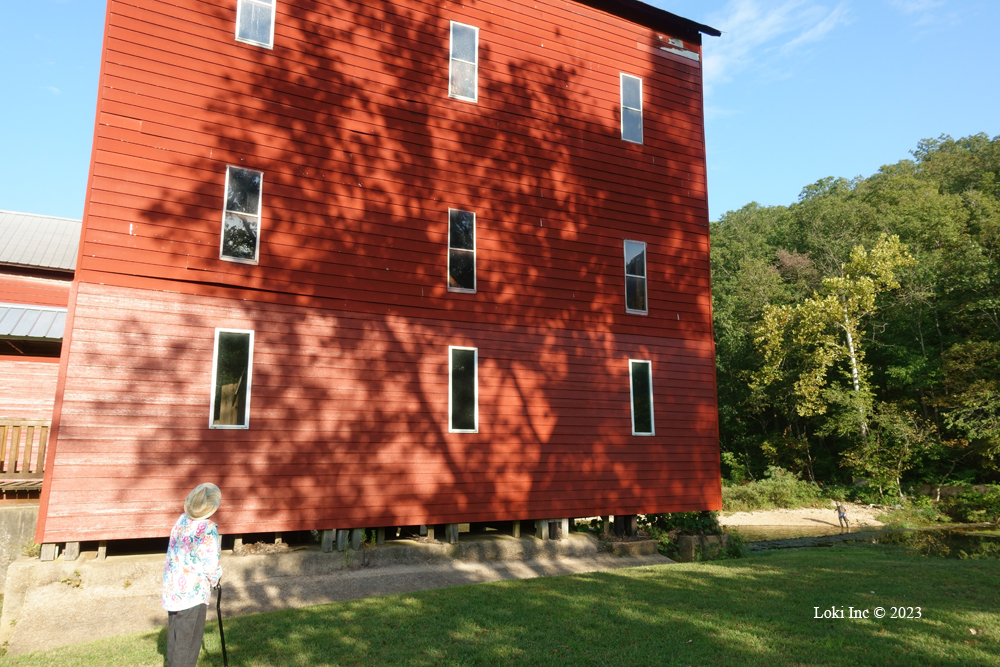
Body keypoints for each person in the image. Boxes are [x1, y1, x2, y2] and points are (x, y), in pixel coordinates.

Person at [163, 483, 223, 667]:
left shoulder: (182, 520)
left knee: (175, 639)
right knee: (187, 647)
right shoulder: (207, 528)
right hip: (192, 594)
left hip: (173, 590)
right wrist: (216, 579)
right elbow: (211, 564)